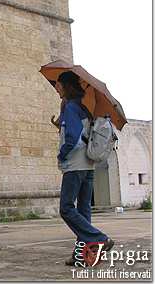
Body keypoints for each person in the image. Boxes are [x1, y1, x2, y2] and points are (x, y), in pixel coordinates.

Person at [54, 71, 114, 266]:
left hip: (75, 165)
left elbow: (72, 137)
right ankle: (83, 254)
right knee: (83, 209)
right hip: (88, 166)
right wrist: (60, 123)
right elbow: (80, 132)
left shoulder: (71, 107)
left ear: (66, 86)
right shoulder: (82, 108)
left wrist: (62, 153)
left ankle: (100, 238)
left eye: (58, 84)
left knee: (66, 208)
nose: (56, 88)